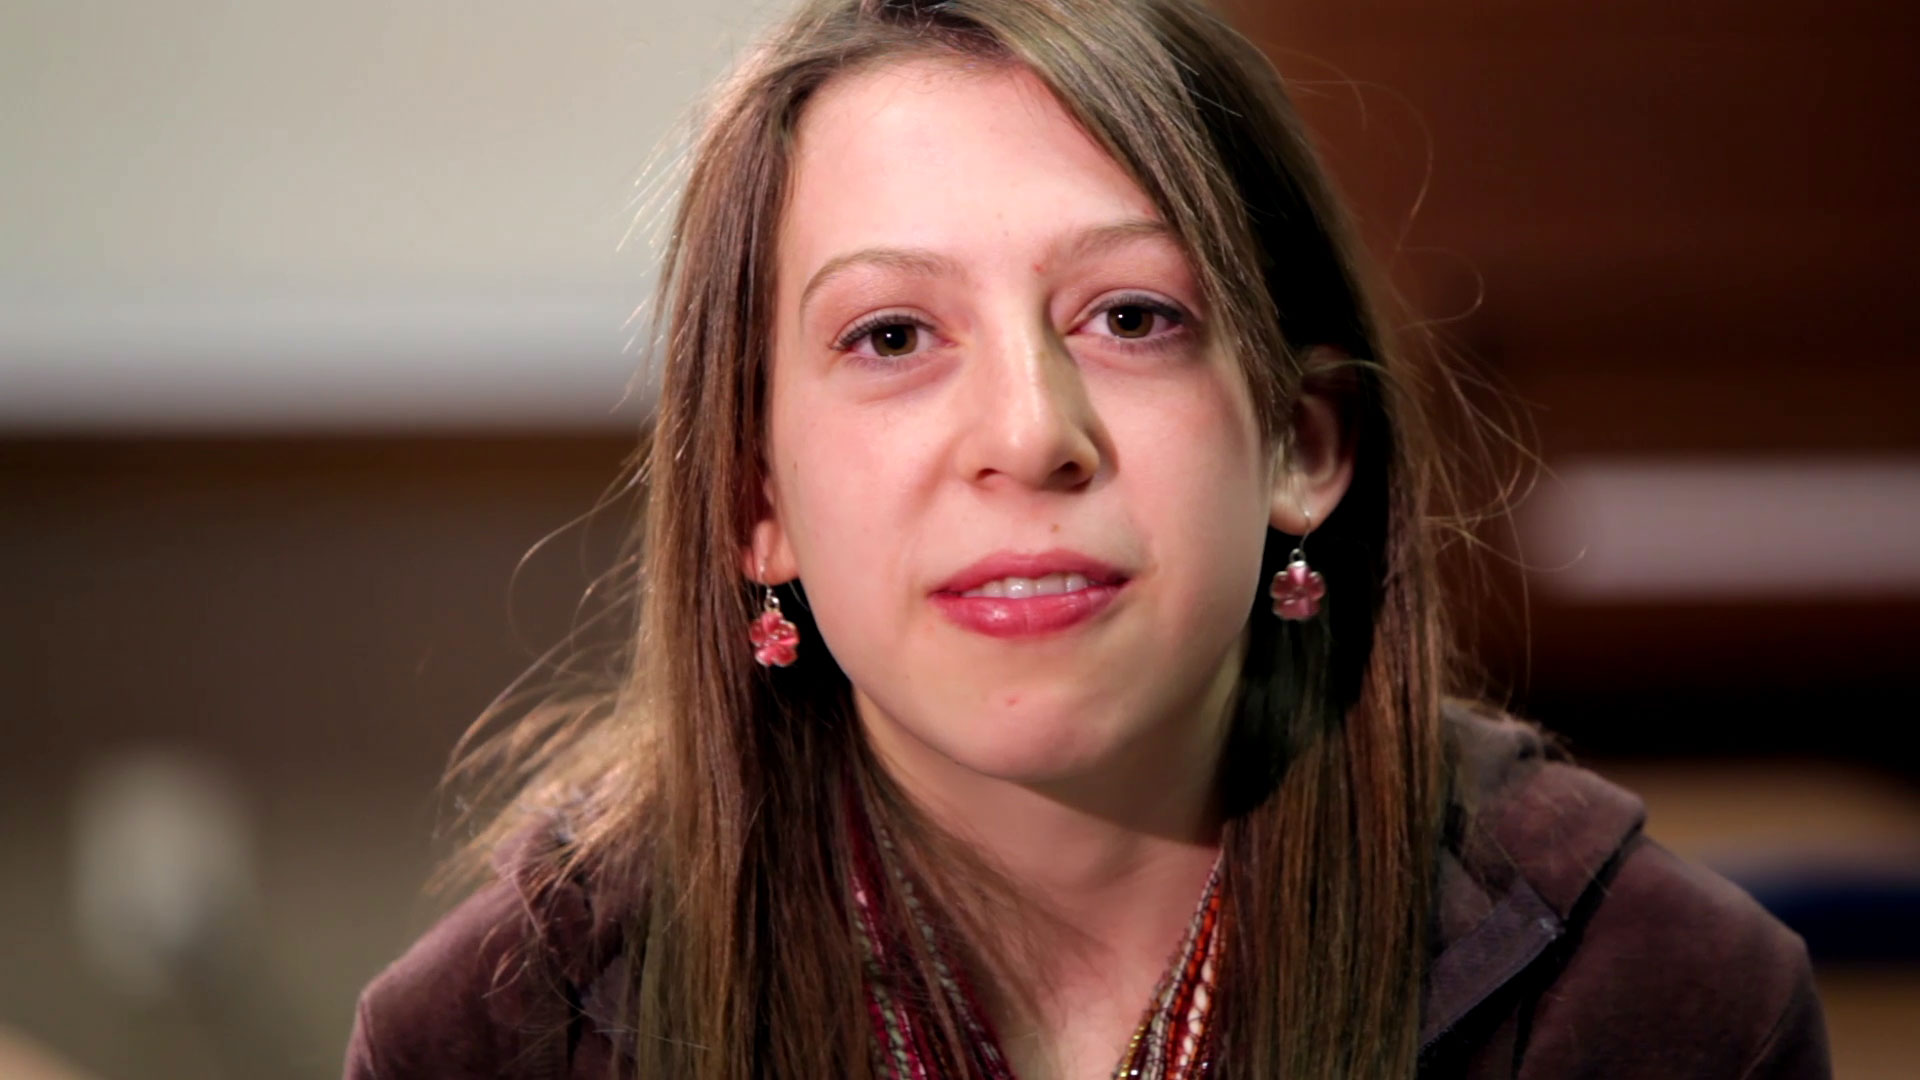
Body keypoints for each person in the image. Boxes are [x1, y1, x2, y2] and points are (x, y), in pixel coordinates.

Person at [342, 1, 1831, 1077]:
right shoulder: (486, 1040)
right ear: (757, 503)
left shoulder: (1663, 1007)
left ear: (1304, 446)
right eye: (892, 335)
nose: (1029, 430)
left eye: (1131, 316)